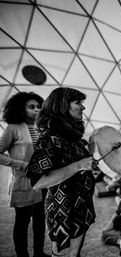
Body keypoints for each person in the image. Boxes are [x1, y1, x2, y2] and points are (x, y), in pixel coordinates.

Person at [25, 88, 98, 257]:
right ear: (63, 106)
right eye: (78, 103)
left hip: (81, 207)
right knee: (62, 255)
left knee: (74, 255)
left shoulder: (74, 138)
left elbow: (81, 167)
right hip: (64, 210)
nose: (83, 107)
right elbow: (38, 182)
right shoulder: (50, 138)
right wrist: (79, 165)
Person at [0, 92, 49, 257]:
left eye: (38, 106)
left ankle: (39, 253)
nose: (36, 110)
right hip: (23, 182)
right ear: (21, 109)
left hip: (43, 181)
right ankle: (22, 254)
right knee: (22, 221)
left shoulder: (41, 128)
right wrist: (22, 165)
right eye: (31, 107)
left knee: (40, 220)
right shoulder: (12, 129)